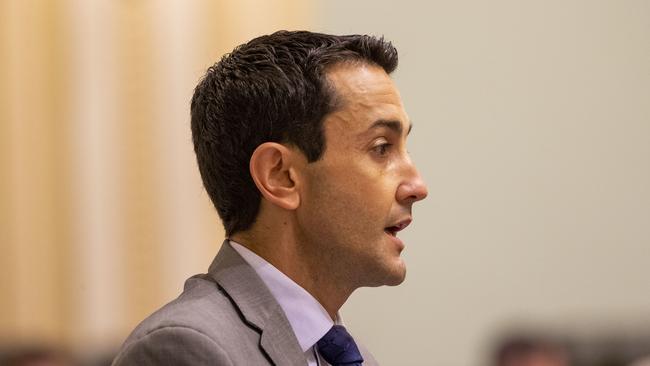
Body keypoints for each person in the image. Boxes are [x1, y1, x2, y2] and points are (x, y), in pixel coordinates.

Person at [112, 30, 428, 366]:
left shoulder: (350, 355)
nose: (417, 186)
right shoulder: (185, 349)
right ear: (281, 176)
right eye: (381, 148)